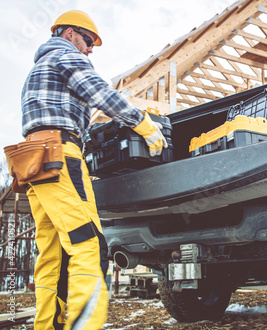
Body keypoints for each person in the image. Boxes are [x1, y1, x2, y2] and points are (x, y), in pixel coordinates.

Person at [21, 10, 166, 330]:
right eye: (88, 41)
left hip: (33, 164)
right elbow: (100, 92)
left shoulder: (38, 68)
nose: (90, 49)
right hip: (60, 156)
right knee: (89, 246)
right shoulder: (65, 55)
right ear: (69, 33)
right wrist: (144, 124)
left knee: (52, 258)